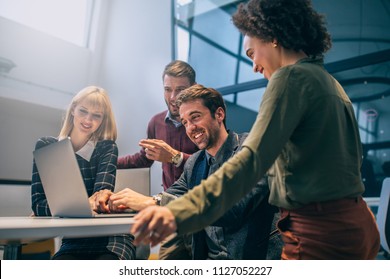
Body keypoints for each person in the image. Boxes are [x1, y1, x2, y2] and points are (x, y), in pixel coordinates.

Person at [130, 0, 380, 260]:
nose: (254, 66)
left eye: (251, 53)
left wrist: (175, 213)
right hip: (358, 224)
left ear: (271, 36)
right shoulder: (330, 83)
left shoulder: (289, 78)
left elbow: (251, 161)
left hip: (318, 232)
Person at [108, 84, 281, 259]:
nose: (190, 128)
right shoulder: (194, 163)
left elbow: (233, 210)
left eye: (195, 117)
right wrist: (122, 200)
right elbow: (172, 194)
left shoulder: (251, 148)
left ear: (219, 114)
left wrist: (154, 203)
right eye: (185, 122)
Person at [31, 86, 135, 260]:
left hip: (110, 237)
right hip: (74, 238)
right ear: (73, 109)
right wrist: (82, 205)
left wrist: (59, 208)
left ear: (103, 119)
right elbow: (38, 204)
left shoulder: (106, 148)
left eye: (96, 115)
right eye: (83, 111)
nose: (88, 119)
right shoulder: (47, 146)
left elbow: (100, 200)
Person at [117, 60, 199, 191]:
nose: (173, 97)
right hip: (167, 201)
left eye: (180, 90)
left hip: (199, 202)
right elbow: (143, 159)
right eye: (168, 89)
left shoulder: (203, 122)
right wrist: (108, 162)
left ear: (193, 87)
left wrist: (175, 157)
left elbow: (210, 162)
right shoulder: (156, 122)